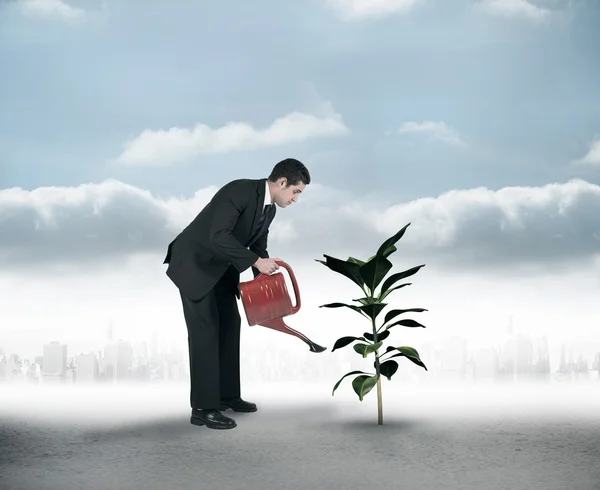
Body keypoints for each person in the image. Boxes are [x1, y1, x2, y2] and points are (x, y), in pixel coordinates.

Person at [163, 158, 310, 430]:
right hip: (194, 264)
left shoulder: (270, 209)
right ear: (282, 182)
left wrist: (265, 274)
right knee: (205, 331)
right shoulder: (239, 191)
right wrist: (255, 262)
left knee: (231, 325)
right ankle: (204, 409)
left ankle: (227, 396)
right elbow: (219, 234)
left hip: (221, 269)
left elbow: (258, 246)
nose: (296, 199)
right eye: (296, 191)